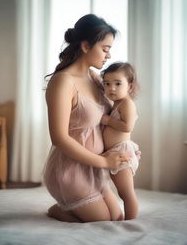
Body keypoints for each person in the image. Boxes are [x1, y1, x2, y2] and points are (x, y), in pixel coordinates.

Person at [43, 14, 131, 223]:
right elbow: (59, 138)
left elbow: (110, 117)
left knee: (116, 217)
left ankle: (74, 207)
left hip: (95, 169)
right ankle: (58, 209)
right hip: (70, 170)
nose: (108, 55)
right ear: (85, 46)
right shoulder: (63, 82)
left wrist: (124, 147)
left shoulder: (94, 78)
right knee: (102, 222)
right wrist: (103, 161)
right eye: (105, 48)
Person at [100, 62, 140, 220]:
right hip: (114, 152)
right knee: (117, 190)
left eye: (118, 83)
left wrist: (107, 120)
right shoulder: (116, 103)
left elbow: (127, 127)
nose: (112, 88)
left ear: (130, 86)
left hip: (121, 153)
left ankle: (131, 222)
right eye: (107, 84)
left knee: (126, 193)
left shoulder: (127, 104)